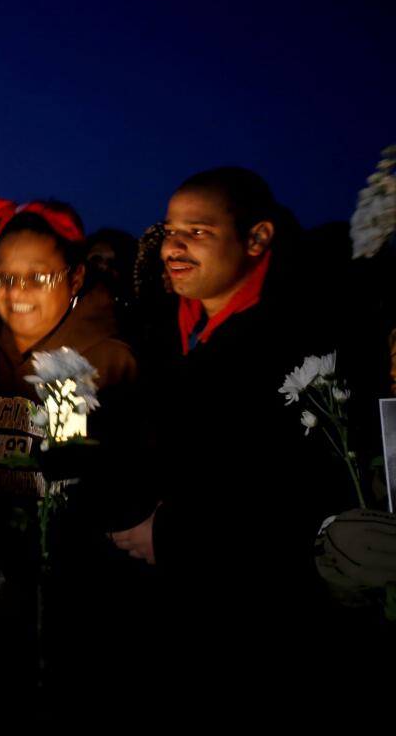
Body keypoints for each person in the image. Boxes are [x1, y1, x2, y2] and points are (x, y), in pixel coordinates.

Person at [109, 167, 345, 709]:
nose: (175, 246)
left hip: (255, 615)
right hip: (160, 608)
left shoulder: (306, 339)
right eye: (170, 230)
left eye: (198, 232)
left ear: (257, 238)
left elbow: (300, 484)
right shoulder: (159, 328)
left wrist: (170, 533)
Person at [0, 199, 147, 709]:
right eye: (5, 277)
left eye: (38, 277)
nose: (17, 293)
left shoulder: (110, 360)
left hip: (71, 606)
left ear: (76, 275)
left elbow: (117, 498)